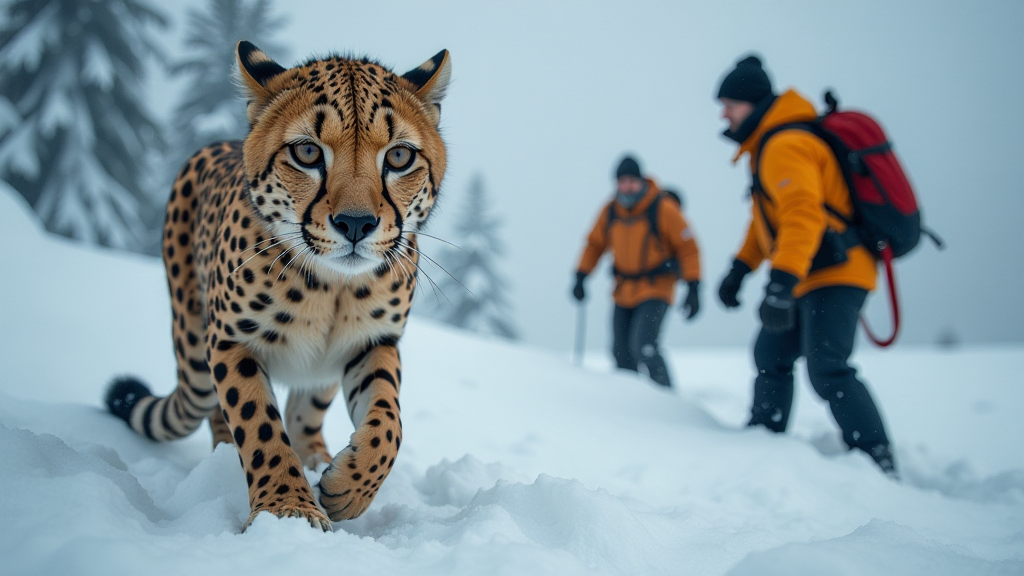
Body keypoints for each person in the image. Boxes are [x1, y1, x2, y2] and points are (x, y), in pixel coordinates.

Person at [714, 55, 897, 476]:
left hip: (835, 272)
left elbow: (802, 217)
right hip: (811, 272)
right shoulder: (769, 146)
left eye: (729, 104)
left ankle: (877, 459)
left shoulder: (785, 145)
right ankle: (765, 435)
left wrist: (779, 285)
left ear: (753, 103)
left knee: (828, 367)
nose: (723, 114)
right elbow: (765, 223)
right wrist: (740, 268)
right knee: (770, 353)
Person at [572, 156, 701, 388]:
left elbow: (688, 248)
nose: (627, 186)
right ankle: (631, 406)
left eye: (632, 180)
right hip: (623, 291)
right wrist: (581, 276)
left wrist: (694, 286)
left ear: (641, 180)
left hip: (656, 289)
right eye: (622, 181)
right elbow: (594, 244)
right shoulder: (610, 211)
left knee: (644, 345)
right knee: (621, 352)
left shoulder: (662, 208)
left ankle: (666, 399)